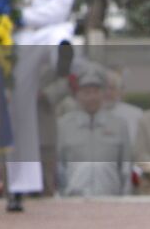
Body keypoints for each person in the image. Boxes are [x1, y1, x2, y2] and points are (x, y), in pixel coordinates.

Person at [0, 0, 75, 208]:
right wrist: (19, 19)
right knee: (19, 108)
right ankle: (20, 186)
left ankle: (62, 64)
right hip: (18, 37)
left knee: (64, 37)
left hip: (49, 30)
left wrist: (28, 17)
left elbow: (62, 4)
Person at [56, 65, 131, 196]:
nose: (92, 97)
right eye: (86, 92)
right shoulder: (64, 126)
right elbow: (59, 168)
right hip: (74, 202)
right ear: (77, 95)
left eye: (96, 91)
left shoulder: (119, 125)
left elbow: (126, 169)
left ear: (103, 93)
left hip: (111, 201)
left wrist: (126, 201)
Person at [103, 68, 144, 146]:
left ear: (119, 91)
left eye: (112, 88)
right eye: (105, 88)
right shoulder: (92, 114)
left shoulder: (136, 113)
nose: (108, 92)